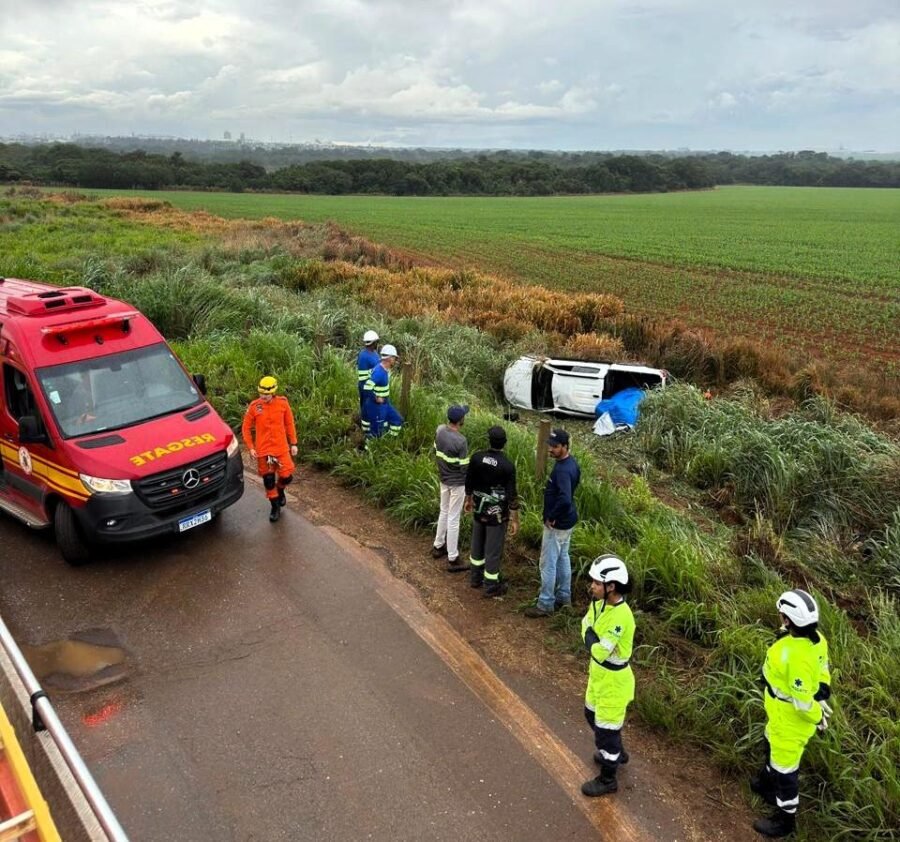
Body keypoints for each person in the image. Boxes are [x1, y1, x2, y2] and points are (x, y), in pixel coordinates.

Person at [750, 589, 832, 838]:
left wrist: (818, 716)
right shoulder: (817, 639)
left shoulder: (794, 656)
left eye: (781, 614)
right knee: (769, 741)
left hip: (790, 720)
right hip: (779, 714)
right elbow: (822, 669)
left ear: (788, 620)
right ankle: (766, 784)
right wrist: (823, 689)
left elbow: (802, 703)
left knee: (785, 771)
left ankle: (785, 820)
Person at [579, 554, 635, 797]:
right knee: (590, 714)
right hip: (598, 676)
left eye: (597, 583)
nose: (592, 586)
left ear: (611, 586)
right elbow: (585, 624)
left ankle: (608, 777)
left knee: (606, 730)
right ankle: (616, 750)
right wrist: (591, 638)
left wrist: (590, 638)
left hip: (614, 682)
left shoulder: (622, 617)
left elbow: (601, 651)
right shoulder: (599, 603)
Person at [524, 428, 581, 617]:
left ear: (565, 446)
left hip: (557, 524)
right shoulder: (571, 464)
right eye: (550, 445)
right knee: (563, 557)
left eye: (555, 447)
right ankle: (564, 597)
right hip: (568, 521)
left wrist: (552, 516)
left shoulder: (563, 470)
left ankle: (545, 603)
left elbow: (565, 498)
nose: (551, 449)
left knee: (547, 562)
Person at [464, 425, 519, 597]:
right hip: (496, 515)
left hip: (479, 509)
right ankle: (490, 584)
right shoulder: (507, 466)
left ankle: (475, 577)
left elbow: (469, 481)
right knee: (493, 549)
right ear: (504, 443)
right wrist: (515, 518)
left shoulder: (477, 458)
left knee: (477, 543)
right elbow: (511, 495)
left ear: (489, 440)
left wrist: (468, 500)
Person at [241, 375, 298, 523]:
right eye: (261, 393)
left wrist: (293, 443)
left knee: (287, 476)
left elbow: (289, 424)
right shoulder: (254, 407)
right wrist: (251, 447)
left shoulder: (283, 404)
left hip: (281, 447)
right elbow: (246, 428)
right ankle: (275, 506)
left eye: (266, 394)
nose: (263, 396)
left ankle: (280, 490)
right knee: (268, 479)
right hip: (263, 449)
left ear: (273, 392)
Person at [431, 404, 470, 571]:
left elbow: (436, 451)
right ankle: (453, 556)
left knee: (443, 511)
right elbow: (464, 467)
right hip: (457, 483)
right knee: (454, 518)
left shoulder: (440, 432)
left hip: (443, 478)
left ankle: (438, 545)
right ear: (461, 420)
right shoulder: (461, 441)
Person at [361, 344, 403, 440]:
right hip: (376, 406)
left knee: (397, 420)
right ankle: (370, 449)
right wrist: (376, 398)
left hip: (385, 404)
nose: (395, 360)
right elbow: (367, 387)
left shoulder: (383, 369)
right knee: (376, 432)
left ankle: (389, 441)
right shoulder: (379, 372)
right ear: (389, 358)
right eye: (394, 358)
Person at [357, 330, 381, 434]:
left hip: (374, 387)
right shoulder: (363, 356)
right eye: (376, 342)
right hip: (367, 388)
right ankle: (365, 433)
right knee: (366, 409)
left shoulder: (374, 354)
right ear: (373, 342)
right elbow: (363, 379)